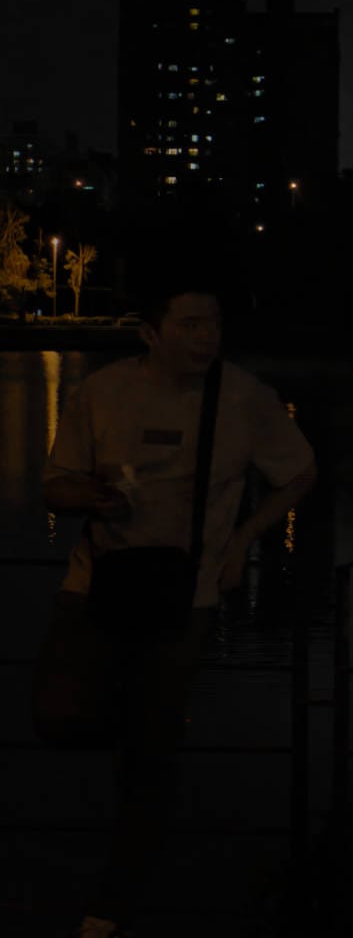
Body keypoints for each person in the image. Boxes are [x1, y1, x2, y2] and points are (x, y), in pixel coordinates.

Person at [35, 275, 317, 938]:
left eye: (213, 324)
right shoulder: (100, 392)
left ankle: (112, 903)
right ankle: (144, 725)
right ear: (149, 333)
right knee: (57, 716)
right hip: (96, 581)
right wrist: (91, 497)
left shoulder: (244, 397)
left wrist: (242, 540)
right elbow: (55, 485)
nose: (205, 337)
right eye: (189, 325)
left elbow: (299, 471)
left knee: (150, 760)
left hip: (186, 595)